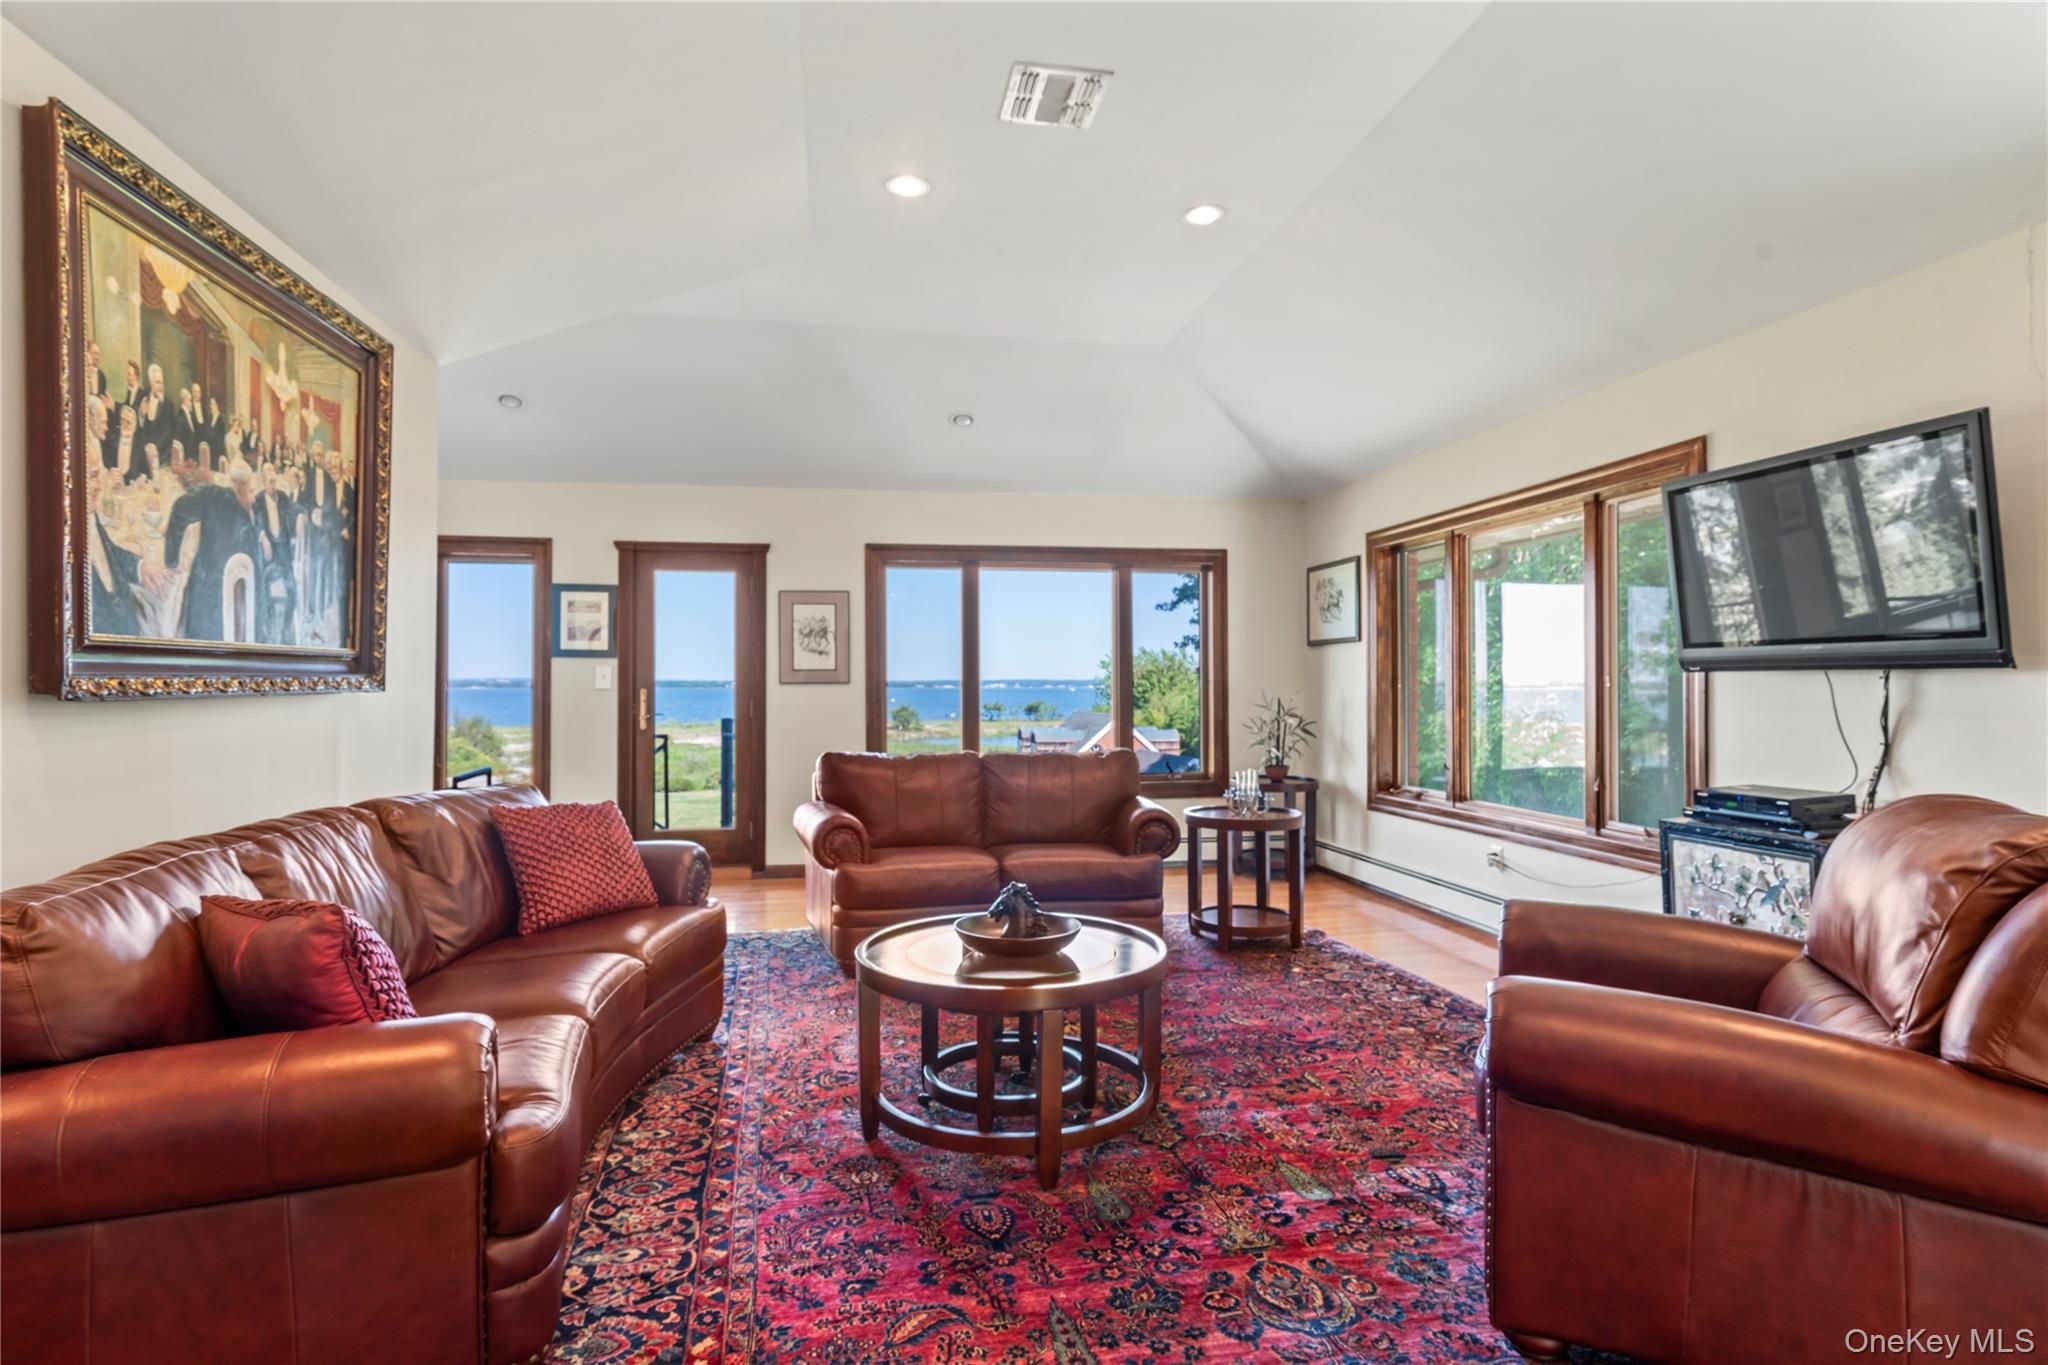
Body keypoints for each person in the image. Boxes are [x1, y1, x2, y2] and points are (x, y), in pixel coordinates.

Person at [155, 464, 259, 641]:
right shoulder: (248, 524)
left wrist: (171, 561)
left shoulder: (211, 495)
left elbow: (179, 508)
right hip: (240, 619)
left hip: (204, 607)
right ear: (239, 488)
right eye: (250, 491)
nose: (253, 499)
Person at [254, 463, 297, 644]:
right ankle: (266, 624)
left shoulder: (284, 498)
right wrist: (263, 537)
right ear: (264, 483)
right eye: (269, 481)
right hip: (268, 551)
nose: (272, 484)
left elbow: (297, 509)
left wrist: (300, 519)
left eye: (274, 480)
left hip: (283, 550)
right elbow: (255, 522)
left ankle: (287, 624)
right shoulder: (258, 501)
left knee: (291, 586)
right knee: (263, 584)